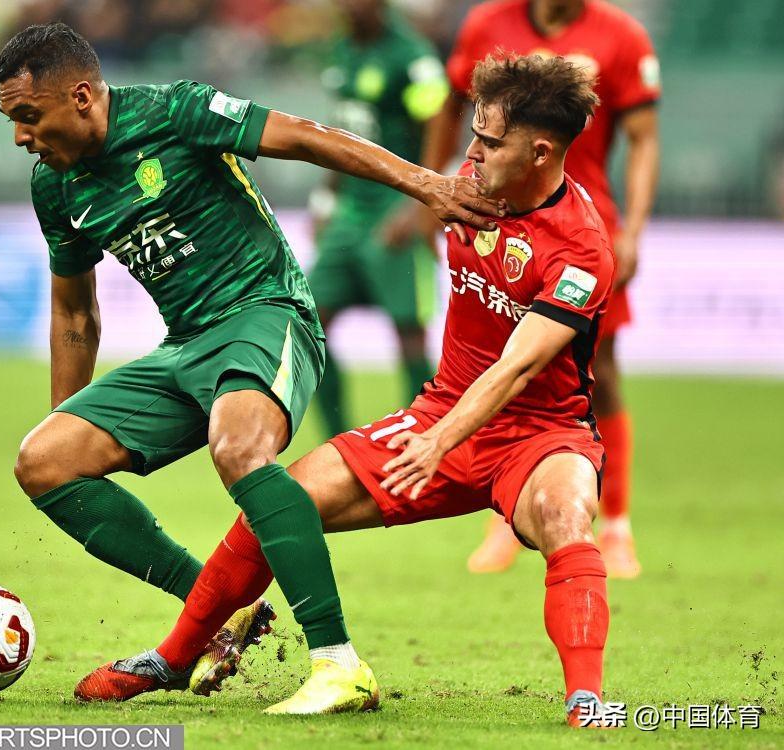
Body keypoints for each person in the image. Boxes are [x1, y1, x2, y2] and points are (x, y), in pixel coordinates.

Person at [98, 53, 618, 725]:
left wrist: (440, 440)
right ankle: (175, 656)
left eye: (490, 143)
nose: (471, 153)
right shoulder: (468, 187)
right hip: (442, 411)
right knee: (280, 502)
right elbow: (367, 161)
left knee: (565, 514)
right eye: (474, 136)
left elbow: (517, 368)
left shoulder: (581, 248)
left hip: (540, 435)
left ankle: (586, 701)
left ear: (541, 152)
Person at [0, 23, 503, 704]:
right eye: (13, 120)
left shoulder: (174, 112)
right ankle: (218, 608)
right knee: (43, 460)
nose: (20, 136)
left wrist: (425, 184)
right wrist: (68, 415)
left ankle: (338, 663)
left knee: (237, 446)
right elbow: (74, 315)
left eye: (29, 116)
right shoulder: (55, 188)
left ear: (81, 96)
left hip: (266, 312)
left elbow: (304, 136)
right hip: (185, 345)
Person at [387, 0, 660, 577]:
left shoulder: (622, 36)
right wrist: (434, 191)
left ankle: (616, 523)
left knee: (599, 373)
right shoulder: (487, 24)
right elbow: (450, 109)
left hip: (579, 230)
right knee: (498, 356)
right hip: (498, 212)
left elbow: (643, 140)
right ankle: (506, 507)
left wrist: (634, 229)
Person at [308, 0, 449, 437]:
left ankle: (421, 441)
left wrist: (421, 201)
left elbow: (439, 122)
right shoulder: (343, 50)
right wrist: (326, 198)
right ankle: (337, 441)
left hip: (395, 205)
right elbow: (339, 133)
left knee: (408, 331)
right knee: (308, 322)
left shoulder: (410, 56)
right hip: (349, 209)